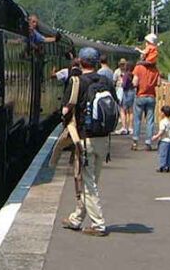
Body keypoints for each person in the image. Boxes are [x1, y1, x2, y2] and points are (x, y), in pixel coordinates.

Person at [60, 47, 117, 237]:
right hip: (104, 140)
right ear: (96, 62)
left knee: (88, 184)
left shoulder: (78, 82)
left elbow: (66, 110)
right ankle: (77, 218)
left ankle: (98, 224)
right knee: (90, 182)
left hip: (85, 140)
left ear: (81, 61)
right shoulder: (106, 81)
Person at [131, 58, 160, 151]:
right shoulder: (155, 69)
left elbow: (135, 83)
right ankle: (148, 142)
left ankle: (135, 142)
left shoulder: (138, 68)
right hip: (151, 96)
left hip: (140, 95)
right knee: (150, 120)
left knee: (137, 120)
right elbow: (159, 83)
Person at [152, 105, 170, 172]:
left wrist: (156, 136)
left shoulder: (162, 122)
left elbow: (162, 131)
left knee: (163, 154)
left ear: (163, 113)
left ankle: (162, 166)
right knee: (169, 155)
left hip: (164, 141)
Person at [116, 60, 135, 135]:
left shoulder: (126, 75)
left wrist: (121, 81)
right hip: (132, 92)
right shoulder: (133, 74)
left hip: (126, 92)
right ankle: (130, 128)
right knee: (131, 111)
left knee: (122, 110)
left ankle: (124, 127)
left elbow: (124, 85)